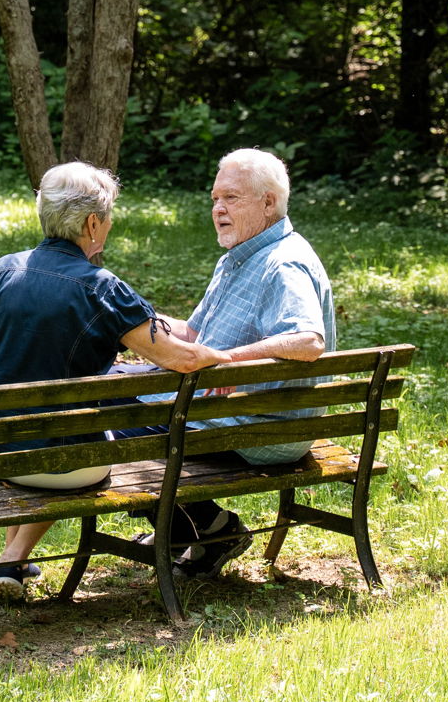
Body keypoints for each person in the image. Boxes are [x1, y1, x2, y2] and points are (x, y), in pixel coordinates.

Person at [0, 161, 232, 599]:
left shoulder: (1, 270)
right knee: (69, 434)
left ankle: (12, 563)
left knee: (47, 422)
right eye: (108, 217)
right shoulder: (102, 288)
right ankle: (9, 562)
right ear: (91, 224)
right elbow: (180, 359)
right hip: (65, 464)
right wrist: (225, 355)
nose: (110, 225)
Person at [134, 147, 335, 578]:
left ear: (268, 203)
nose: (218, 209)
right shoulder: (238, 258)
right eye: (215, 199)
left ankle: (208, 528)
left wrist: (229, 360)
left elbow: (308, 339)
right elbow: (193, 335)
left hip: (267, 427)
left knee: (123, 421)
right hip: (234, 411)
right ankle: (186, 527)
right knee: (118, 391)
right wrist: (131, 320)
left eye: (231, 198)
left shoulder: (283, 263)